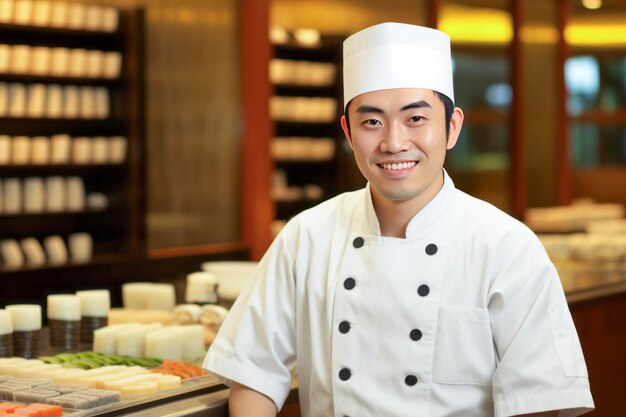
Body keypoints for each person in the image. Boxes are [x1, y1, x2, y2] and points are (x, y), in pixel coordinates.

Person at [203, 22, 594, 417]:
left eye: (415, 119)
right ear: (348, 132)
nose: (392, 142)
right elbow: (252, 372)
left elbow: (538, 401)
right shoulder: (307, 236)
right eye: (371, 122)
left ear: (452, 126)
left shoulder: (506, 247)